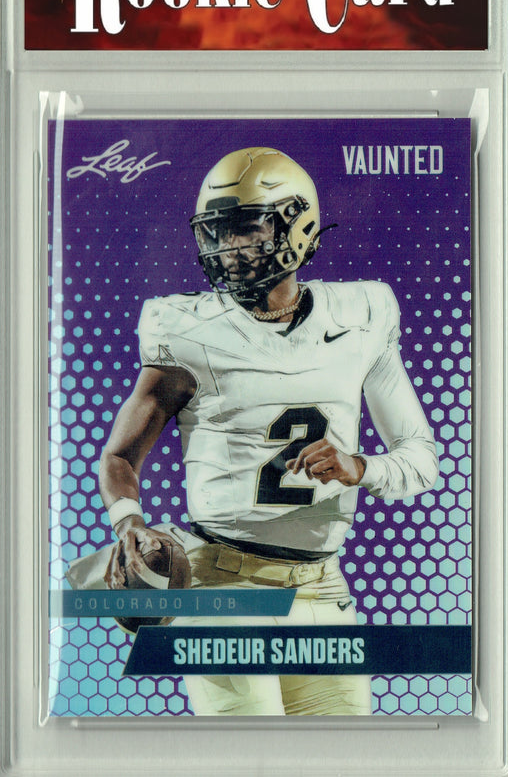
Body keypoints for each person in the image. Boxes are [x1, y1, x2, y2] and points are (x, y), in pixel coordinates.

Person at [99, 146, 438, 716]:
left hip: (323, 587)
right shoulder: (186, 329)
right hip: (222, 584)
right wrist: (128, 520)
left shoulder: (363, 315)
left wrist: (361, 467)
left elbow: (421, 459)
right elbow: (119, 457)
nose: (228, 248)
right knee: (252, 756)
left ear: (298, 224)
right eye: (217, 232)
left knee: (347, 758)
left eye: (245, 228)